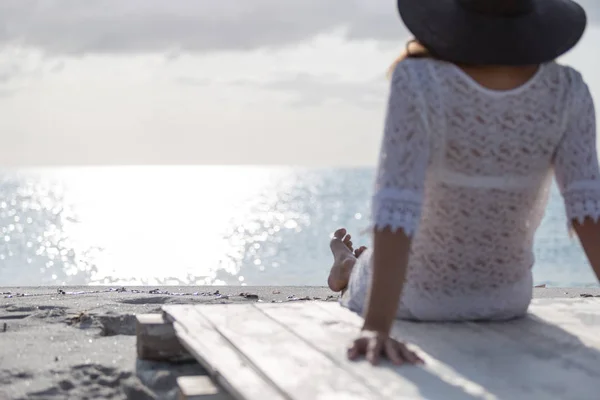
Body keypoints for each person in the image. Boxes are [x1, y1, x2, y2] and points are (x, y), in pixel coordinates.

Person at [327, 0, 599, 366]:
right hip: (507, 299)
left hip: (417, 299)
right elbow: (588, 212)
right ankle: (351, 262)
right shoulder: (569, 89)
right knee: (368, 263)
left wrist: (377, 326)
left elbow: (397, 206)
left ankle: (347, 264)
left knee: (365, 268)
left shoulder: (419, 78)